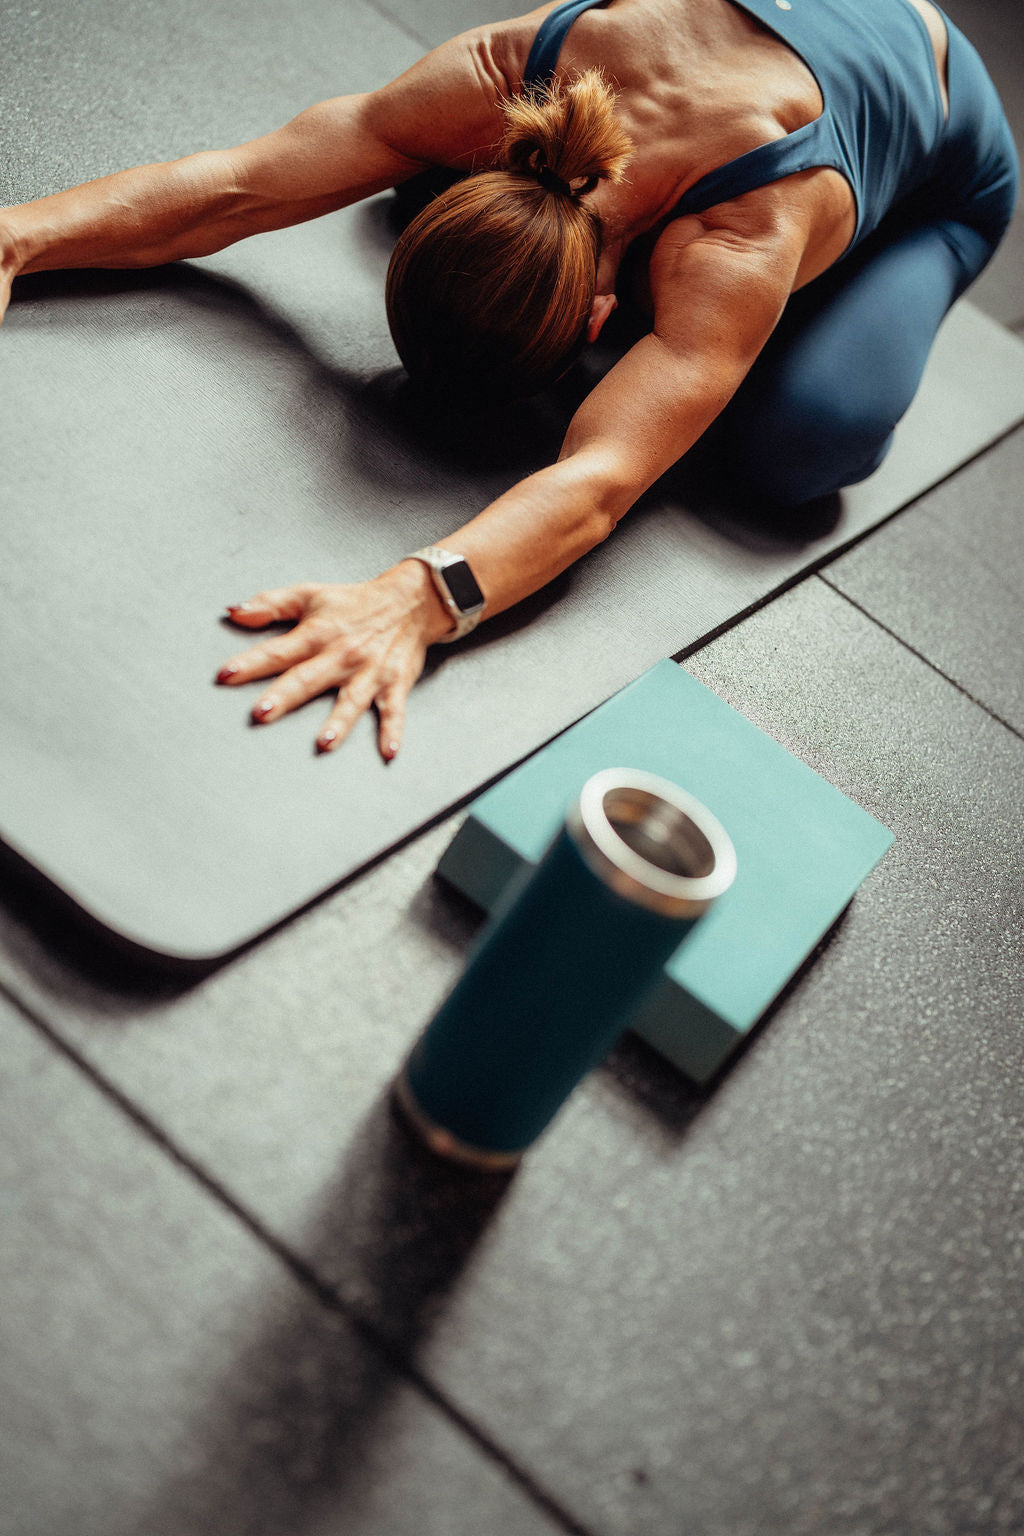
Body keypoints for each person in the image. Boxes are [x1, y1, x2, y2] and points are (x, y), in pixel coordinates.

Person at [0, 0, 1016, 759]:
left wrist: (419, 597)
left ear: (599, 320)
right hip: (746, 51)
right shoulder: (505, 71)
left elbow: (605, 478)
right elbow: (239, 185)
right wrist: (16, 238)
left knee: (802, 441)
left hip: (945, 159)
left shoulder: (738, 236)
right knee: (392, 167)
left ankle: (856, 272)